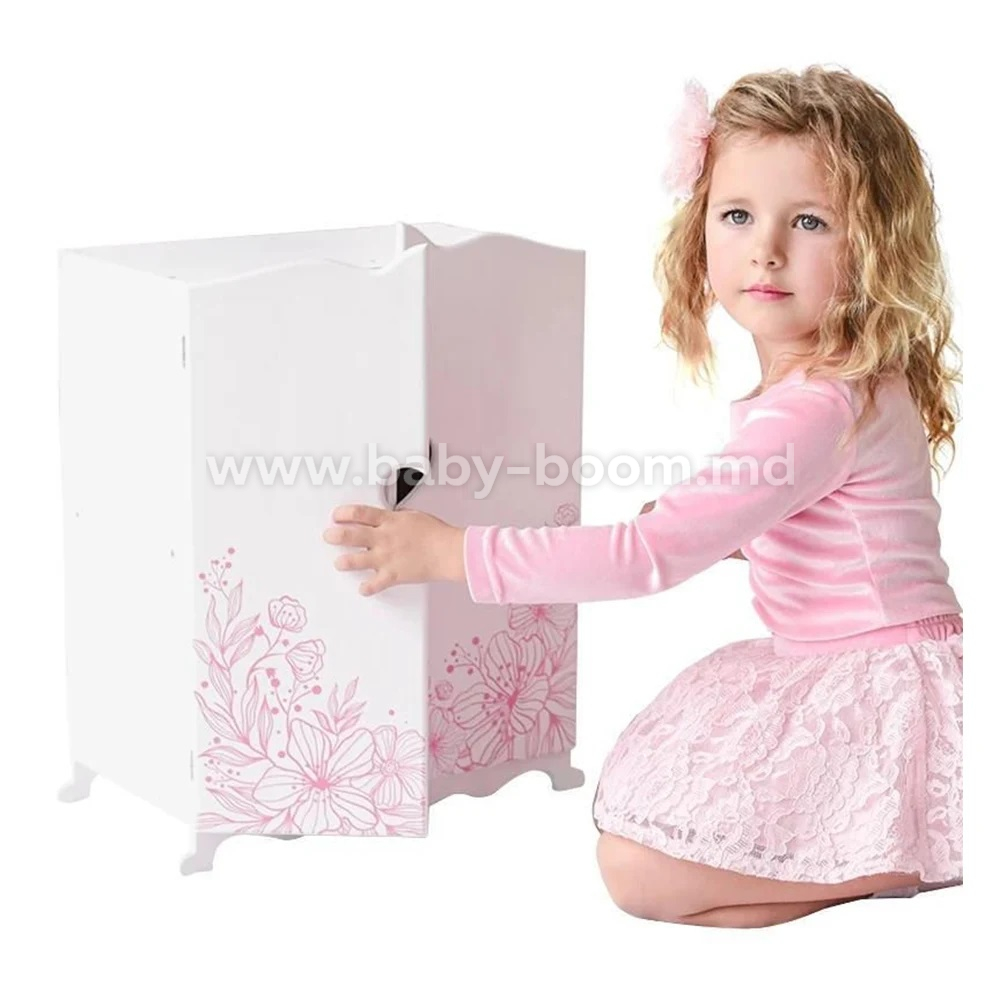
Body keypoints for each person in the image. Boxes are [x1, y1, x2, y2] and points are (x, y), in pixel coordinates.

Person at [321, 66, 963, 930]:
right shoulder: (847, 379)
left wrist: (450, 552)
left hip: (873, 683)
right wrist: (737, 530)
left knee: (637, 873)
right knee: (652, 843)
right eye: (738, 215)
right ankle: (873, 855)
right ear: (701, 228)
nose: (766, 249)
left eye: (809, 222)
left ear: (875, 243)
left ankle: (889, 860)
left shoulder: (817, 406)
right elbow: (845, 525)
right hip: (870, 664)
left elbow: (644, 559)